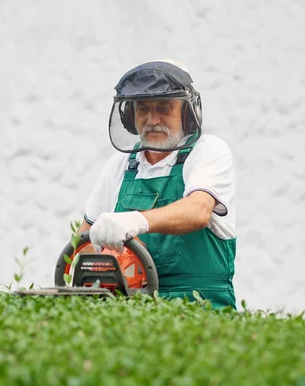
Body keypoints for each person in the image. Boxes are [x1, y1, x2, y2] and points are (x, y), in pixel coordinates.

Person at [77, 60, 237, 309]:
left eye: (164, 108)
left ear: (186, 113)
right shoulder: (120, 165)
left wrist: (135, 222)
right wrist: (111, 256)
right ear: (130, 116)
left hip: (203, 310)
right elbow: (83, 246)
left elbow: (198, 211)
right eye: (142, 109)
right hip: (131, 314)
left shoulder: (207, 151)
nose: (152, 119)